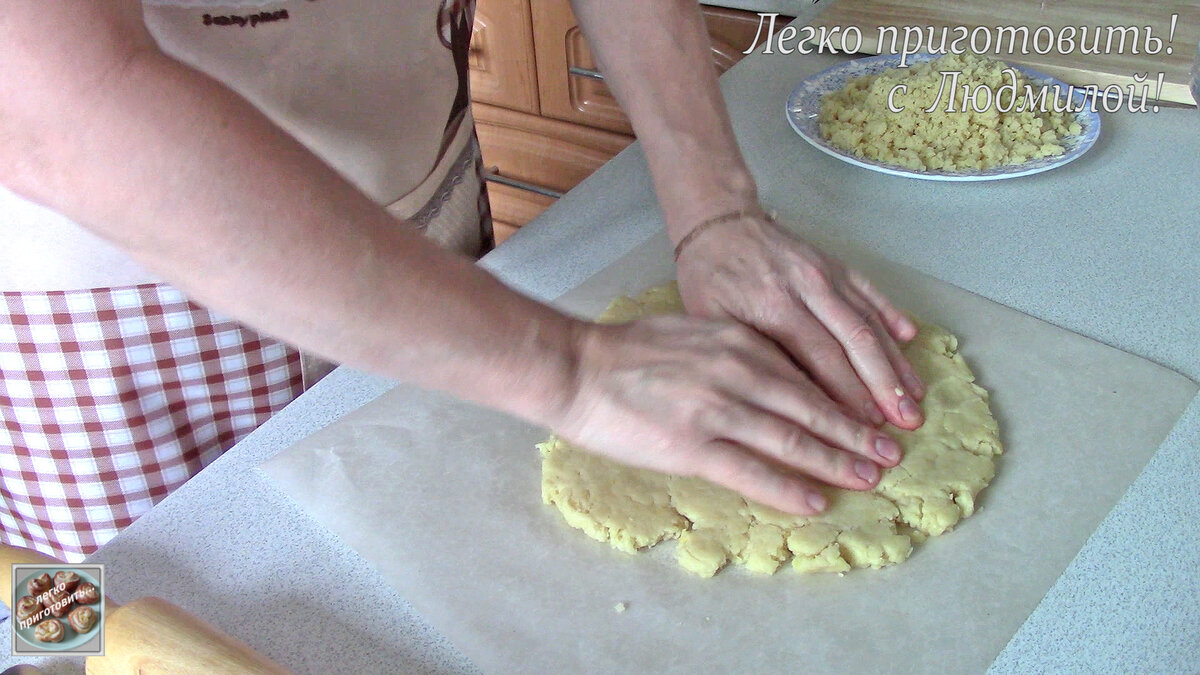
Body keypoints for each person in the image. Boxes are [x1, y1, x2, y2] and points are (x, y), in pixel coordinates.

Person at [0, 1, 925, 562]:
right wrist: (572, 372)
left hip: (428, 207)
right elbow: (54, 105)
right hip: (117, 303)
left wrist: (712, 204)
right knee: (118, 626)